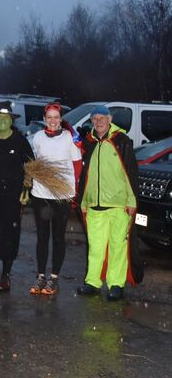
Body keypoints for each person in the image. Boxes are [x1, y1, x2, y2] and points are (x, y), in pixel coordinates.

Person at [76, 105, 143, 301]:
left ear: (109, 118)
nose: (98, 122)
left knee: (117, 247)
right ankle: (92, 282)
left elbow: (131, 174)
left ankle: (116, 285)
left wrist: (132, 201)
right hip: (94, 205)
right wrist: (84, 201)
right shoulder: (88, 142)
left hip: (119, 205)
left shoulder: (121, 141)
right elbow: (85, 173)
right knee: (95, 247)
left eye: (101, 118)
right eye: (94, 119)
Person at [0, 101, 34, 291]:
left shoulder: (20, 141)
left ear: (11, 121)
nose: (2, 121)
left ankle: (5, 275)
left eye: (6, 118)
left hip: (12, 197)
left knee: (9, 235)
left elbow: (31, 167)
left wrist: (26, 190)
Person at [29, 102, 82, 295]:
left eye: (56, 117)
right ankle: (40, 275)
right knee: (42, 237)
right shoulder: (38, 137)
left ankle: (54, 278)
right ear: (44, 119)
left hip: (62, 195)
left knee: (58, 236)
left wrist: (71, 188)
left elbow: (77, 165)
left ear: (61, 120)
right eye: (49, 117)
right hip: (41, 194)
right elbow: (33, 160)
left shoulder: (69, 137)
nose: (52, 121)